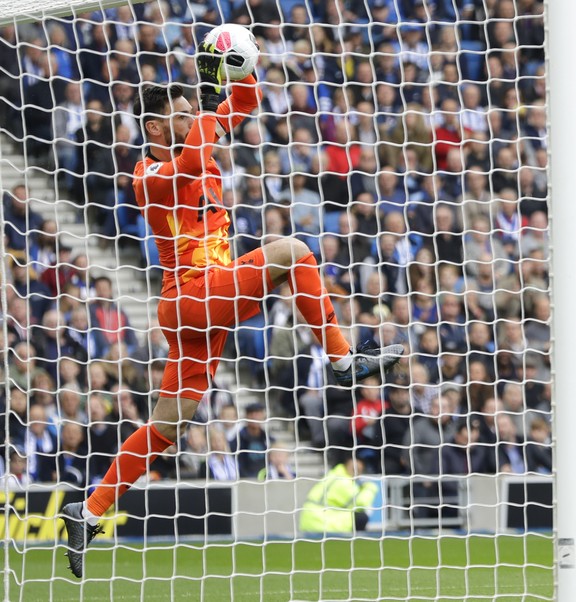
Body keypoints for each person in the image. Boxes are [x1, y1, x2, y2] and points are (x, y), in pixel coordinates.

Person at [61, 40, 402, 577]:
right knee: (294, 252)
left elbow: (243, 103)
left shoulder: (194, 132)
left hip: (204, 307)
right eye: (180, 114)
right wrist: (208, 100)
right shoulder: (146, 175)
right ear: (154, 128)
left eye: (191, 111)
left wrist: (237, 65)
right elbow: (194, 159)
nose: (192, 117)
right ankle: (342, 360)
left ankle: (86, 511)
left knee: (167, 426)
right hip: (193, 296)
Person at [298, 453, 379, 534]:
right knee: (361, 517)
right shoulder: (343, 482)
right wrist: (370, 487)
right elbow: (362, 503)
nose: (356, 472)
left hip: (309, 521)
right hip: (321, 523)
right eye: (355, 469)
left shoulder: (333, 474)